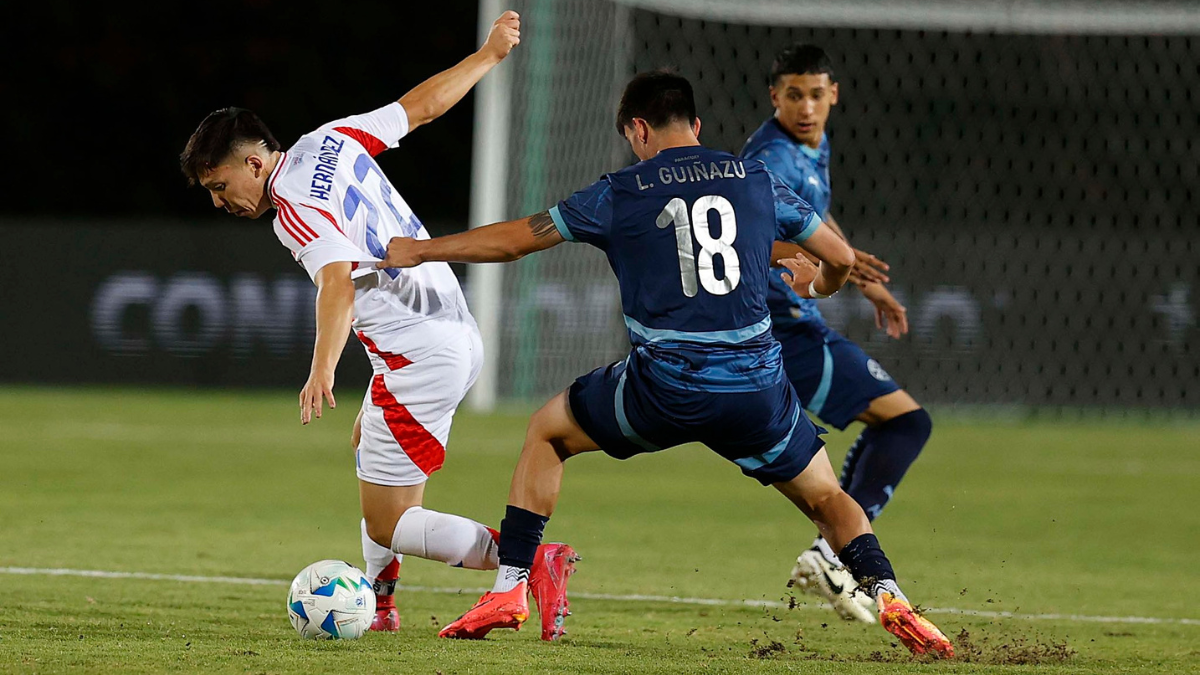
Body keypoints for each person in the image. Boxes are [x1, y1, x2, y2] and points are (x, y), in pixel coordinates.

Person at [380, 70, 953, 657]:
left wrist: (423, 249)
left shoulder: (621, 190)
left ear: (638, 128)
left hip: (664, 389)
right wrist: (817, 287)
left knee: (547, 432)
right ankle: (889, 593)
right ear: (696, 125)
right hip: (756, 390)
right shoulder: (755, 178)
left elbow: (519, 239)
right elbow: (838, 258)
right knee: (828, 497)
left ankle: (510, 588)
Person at [178, 11, 577, 642]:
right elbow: (417, 109)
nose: (219, 201)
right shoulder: (330, 139)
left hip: (420, 354)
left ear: (254, 164)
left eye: (220, 185)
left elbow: (336, 280)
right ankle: (382, 605)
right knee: (368, 450)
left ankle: (522, 563)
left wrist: (320, 370)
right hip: (449, 332)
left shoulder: (292, 210)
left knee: (392, 522)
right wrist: (488, 56)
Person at [741, 44, 935, 624]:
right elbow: (759, 232)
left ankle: (836, 555)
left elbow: (816, 220)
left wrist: (862, 278)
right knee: (906, 422)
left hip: (791, 322)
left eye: (816, 94)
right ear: (774, 97)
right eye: (793, 95)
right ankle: (833, 554)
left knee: (891, 426)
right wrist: (830, 262)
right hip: (782, 325)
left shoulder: (811, 144)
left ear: (834, 95)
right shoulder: (772, 155)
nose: (806, 106)